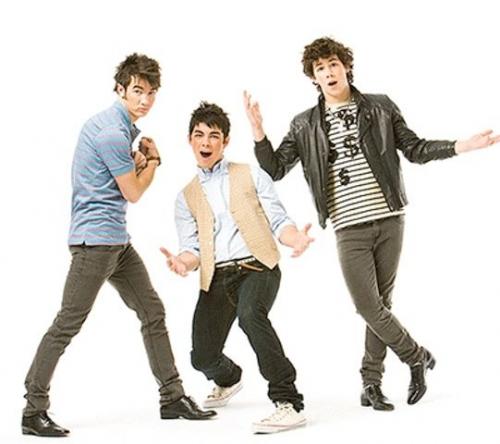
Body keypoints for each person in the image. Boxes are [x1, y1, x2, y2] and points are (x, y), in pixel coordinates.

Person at [243, 36, 500, 411]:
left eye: (333, 63)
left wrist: (461, 146)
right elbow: (275, 169)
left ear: (346, 66)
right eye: (320, 68)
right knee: (368, 306)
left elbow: (415, 149)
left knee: (381, 305)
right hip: (349, 227)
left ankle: (371, 384)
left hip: (390, 220)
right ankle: (416, 356)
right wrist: (258, 133)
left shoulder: (380, 107)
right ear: (313, 78)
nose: (328, 72)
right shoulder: (304, 125)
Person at [22, 54, 216, 438]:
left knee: (152, 311)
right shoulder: (112, 132)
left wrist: (138, 161)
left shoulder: (115, 127)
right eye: (138, 91)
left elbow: (113, 182)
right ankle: (33, 410)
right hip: (95, 245)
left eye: (151, 92)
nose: (145, 99)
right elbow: (133, 192)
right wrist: (153, 162)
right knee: (67, 323)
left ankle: (172, 397)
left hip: (116, 242)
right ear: (120, 89)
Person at [161, 102, 313, 433]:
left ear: (225, 141)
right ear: (190, 140)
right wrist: (182, 262)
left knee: (250, 315)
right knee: (202, 357)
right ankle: (229, 379)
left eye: (214, 136)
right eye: (199, 135)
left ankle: (288, 401)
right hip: (216, 277)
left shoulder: (251, 174)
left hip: (258, 267)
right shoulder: (185, 197)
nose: (206, 142)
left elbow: (279, 220)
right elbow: (192, 249)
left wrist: (294, 239)